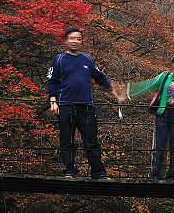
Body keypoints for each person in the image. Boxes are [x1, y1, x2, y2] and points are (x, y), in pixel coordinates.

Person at [46, 27, 121, 179]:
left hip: (86, 106)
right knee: (67, 139)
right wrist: (53, 101)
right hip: (65, 104)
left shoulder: (88, 60)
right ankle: (69, 170)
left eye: (78, 39)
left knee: (91, 139)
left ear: (82, 41)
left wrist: (114, 91)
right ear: (66, 41)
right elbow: (51, 81)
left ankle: (98, 172)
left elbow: (101, 77)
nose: (75, 41)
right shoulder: (59, 59)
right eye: (72, 38)